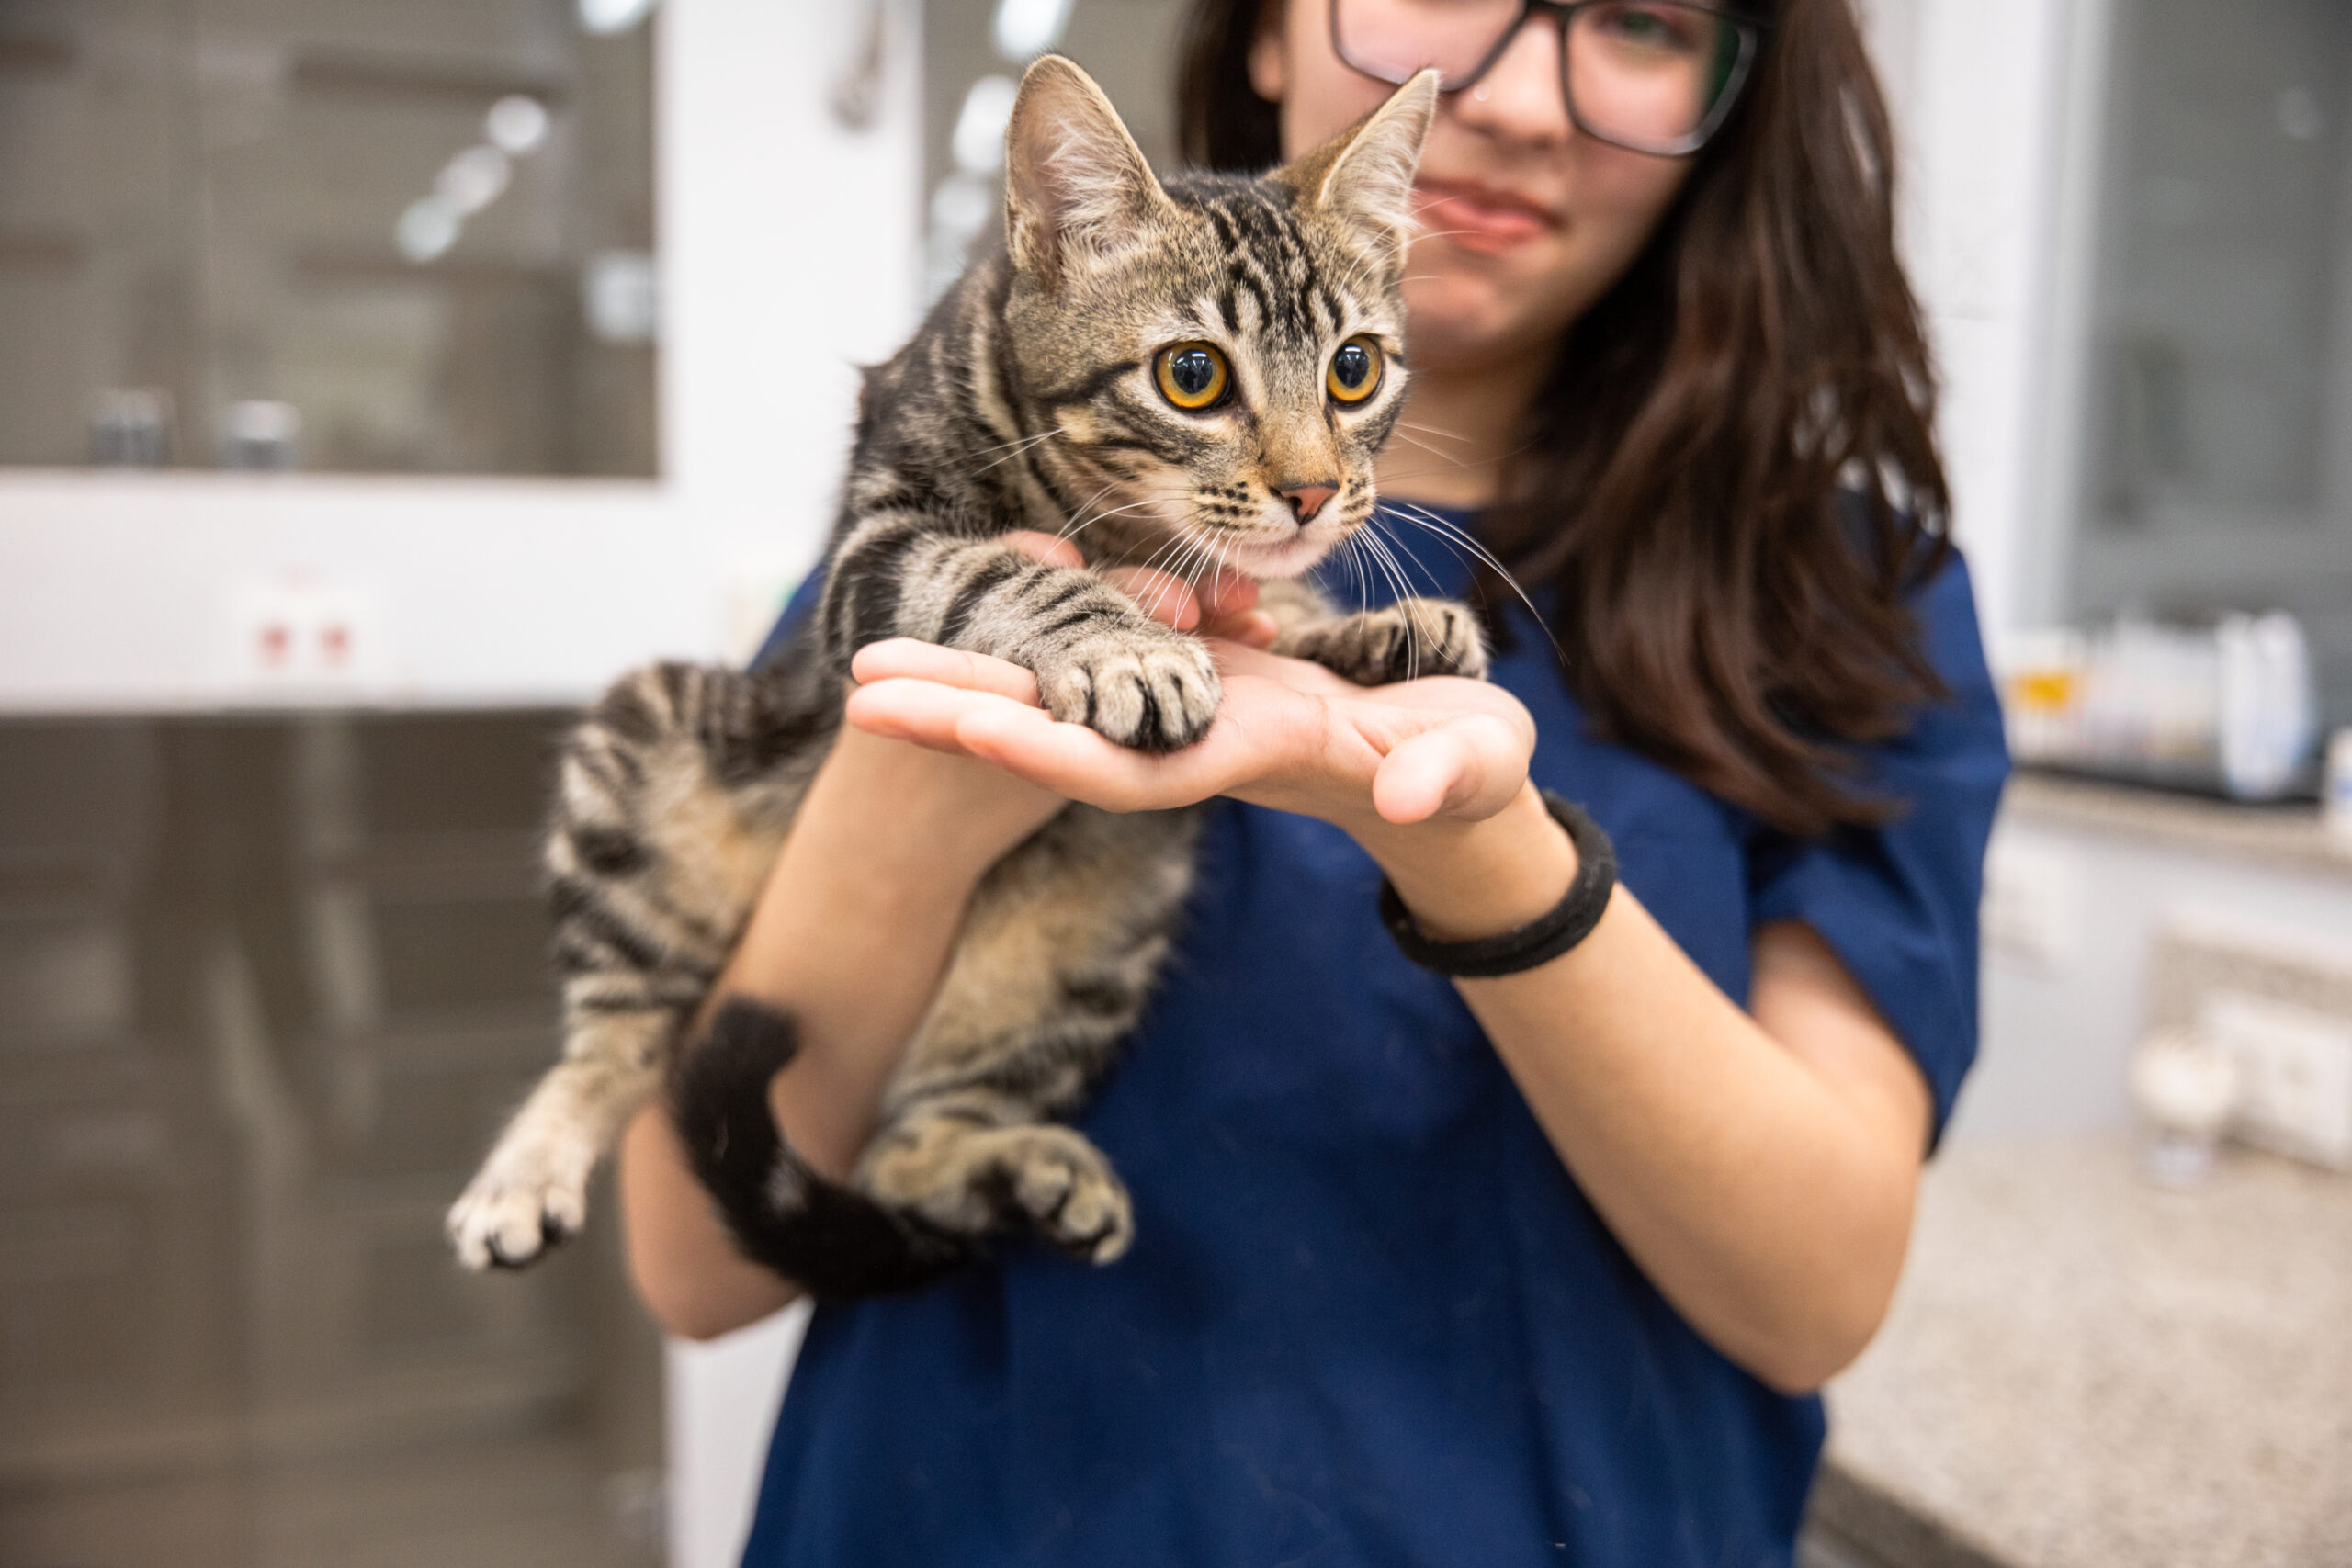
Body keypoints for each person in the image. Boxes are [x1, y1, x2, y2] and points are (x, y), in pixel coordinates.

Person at [616, 0, 2008, 1561]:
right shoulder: (964, 527)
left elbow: (1811, 1298)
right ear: (1266, 28)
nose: (1519, 98)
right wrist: (919, 811)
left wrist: (1472, 844)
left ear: (1734, 90)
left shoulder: (1846, 590)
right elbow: (692, 1260)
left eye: (1636, 18)